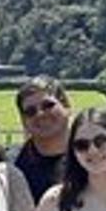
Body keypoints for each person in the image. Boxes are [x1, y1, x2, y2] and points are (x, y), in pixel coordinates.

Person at [12, 76, 74, 204]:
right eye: (30, 111)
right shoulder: (12, 168)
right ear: (23, 121)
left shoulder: (91, 155)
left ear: (67, 107)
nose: (40, 114)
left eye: (48, 105)